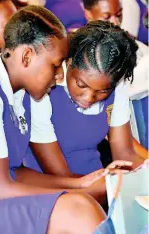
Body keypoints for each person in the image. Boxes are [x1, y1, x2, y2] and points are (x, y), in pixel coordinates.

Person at [0, 6, 110, 234]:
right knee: (77, 211)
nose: (59, 76)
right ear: (27, 57)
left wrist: (82, 183)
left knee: (83, 203)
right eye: (55, 65)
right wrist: (77, 193)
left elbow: (14, 171)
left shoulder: (20, 93)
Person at [25, 21, 143, 184]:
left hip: (100, 183)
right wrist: (112, 184)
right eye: (81, 84)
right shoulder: (44, 89)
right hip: (54, 190)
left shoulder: (117, 86)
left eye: (103, 91)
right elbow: (61, 176)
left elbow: (124, 155)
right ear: (69, 62)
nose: (89, 98)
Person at [81, 0, 148, 160]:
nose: (115, 22)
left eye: (119, 15)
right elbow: (109, 128)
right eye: (107, 17)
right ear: (88, 14)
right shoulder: (85, 58)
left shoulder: (138, 50)